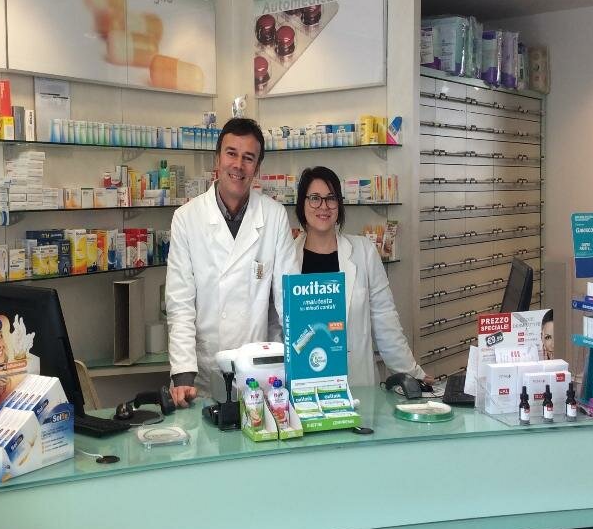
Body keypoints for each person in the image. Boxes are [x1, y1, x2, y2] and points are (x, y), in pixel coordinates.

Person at [166, 117, 298, 405]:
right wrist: (183, 376)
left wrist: (301, 367)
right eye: (231, 153)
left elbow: (289, 301)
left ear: (257, 167)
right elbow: (180, 304)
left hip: (261, 372)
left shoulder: (274, 216)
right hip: (204, 374)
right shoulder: (186, 219)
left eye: (248, 158)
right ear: (217, 158)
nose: (238, 165)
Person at [293, 166, 431, 386]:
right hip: (302, 381)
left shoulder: (363, 251)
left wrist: (413, 375)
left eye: (331, 198)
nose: (324, 206)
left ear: (339, 204)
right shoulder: (287, 258)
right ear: (302, 203)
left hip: (356, 383)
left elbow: (385, 319)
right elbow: (277, 328)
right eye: (314, 198)